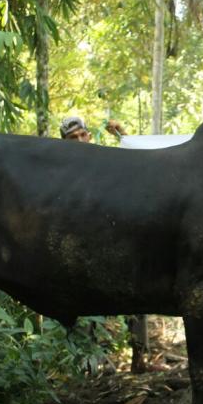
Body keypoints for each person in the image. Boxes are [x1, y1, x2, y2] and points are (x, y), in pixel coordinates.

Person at [58, 115, 153, 373]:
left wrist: (121, 133)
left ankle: (139, 358)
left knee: (138, 296)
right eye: (72, 138)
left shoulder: (103, 158)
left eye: (82, 135)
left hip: (117, 238)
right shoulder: (61, 170)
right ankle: (92, 362)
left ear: (89, 135)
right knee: (85, 300)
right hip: (85, 245)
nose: (79, 141)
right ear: (64, 143)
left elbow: (139, 159)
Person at [59, 116, 127, 143]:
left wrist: (121, 132)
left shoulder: (100, 157)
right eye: (73, 137)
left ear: (90, 136)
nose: (80, 140)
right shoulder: (58, 165)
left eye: (83, 135)